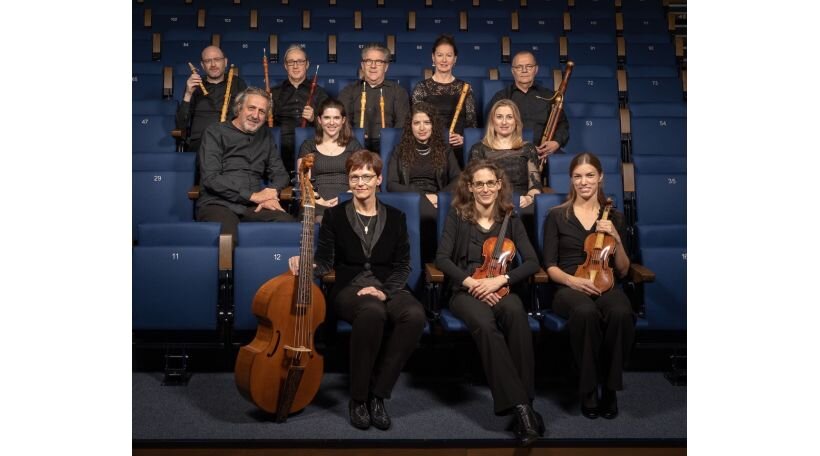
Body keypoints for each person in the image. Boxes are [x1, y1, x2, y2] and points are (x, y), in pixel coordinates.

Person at [288, 150, 426, 431]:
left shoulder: (397, 218)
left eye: (366, 176)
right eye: (355, 177)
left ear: (379, 179)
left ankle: (379, 394)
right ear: (348, 182)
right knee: (372, 313)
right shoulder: (335, 217)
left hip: (387, 286)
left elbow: (403, 266)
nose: (360, 182)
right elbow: (325, 260)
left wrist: (385, 291)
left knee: (414, 314)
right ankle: (358, 398)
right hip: (349, 289)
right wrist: (306, 264)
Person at [434, 160, 544, 447]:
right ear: (470, 187)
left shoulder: (511, 217)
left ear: (499, 186)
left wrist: (500, 281)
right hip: (465, 290)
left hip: (499, 287)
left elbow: (533, 262)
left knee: (516, 314)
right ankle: (523, 409)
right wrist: (473, 283)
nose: (484, 188)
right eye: (478, 183)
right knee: (484, 324)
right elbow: (442, 259)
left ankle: (525, 404)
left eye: (490, 183)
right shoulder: (458, 215)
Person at [542, 152, 634, 420]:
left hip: (606, 284)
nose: (584, 182)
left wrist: (616, 237)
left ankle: (611, 388)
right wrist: (574, 281)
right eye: (578, 176)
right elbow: (550, 265)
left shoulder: (614, 217)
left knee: (621, 311)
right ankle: (588, 387)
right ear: (571, 180)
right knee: (585, 312)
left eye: (590, 175)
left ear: (600, 177)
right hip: (568, 287)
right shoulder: (557, 216)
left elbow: (625, 269)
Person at [197, 87, 295, 240]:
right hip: (219, 203)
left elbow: (281, 174)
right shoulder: (215, 132)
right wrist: (253, 195)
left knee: (288, 224)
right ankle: (227, 266)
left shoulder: (265, 136)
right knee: (227, 238)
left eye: (262, 111)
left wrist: (272, 192)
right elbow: (211, 178)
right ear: (239, 108)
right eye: (251, 108)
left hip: (253, 207)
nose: (256, 115)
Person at [386, 101, 460, 261]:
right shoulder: (399, 150)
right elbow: (391, 184)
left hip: (437, 199)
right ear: (410, 126)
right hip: (409, 200)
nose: (422, 128)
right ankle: (431, 263)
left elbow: (458, 179)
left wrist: (439, 197)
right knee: (432, 217)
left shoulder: (444, 149)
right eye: (417, 123)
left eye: (427, 122)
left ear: (433, 125)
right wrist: (421, 198)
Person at [486, 50, 569, 164]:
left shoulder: (549, 96)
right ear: (513, 71)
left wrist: (556, 142)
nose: (524, 70)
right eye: (519, 67)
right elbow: (491, 127)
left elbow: (562, 125)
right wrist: (521, 148)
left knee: (569, 163)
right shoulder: (501, 97)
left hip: (545, 153)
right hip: (511, 151)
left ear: (536, 69)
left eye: (529, 66)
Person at [411, 34, 477, 165]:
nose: (444, 60)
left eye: (449, 55)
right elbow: (417, 123)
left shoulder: (465, 88)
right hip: (430, 145)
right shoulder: (421, 88)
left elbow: (472, 123)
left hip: (457, 147)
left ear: (455, 59)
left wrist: (464, 139)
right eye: (440, 55)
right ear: (433, 58)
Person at [468, 99, 542, 215]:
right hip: (490, 200)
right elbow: (475, 184)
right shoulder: (478, 149)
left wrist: (529, 198)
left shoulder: (528, 148)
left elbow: (536, 186)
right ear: (493, 121)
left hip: (521, 201)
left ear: (516, 121)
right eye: (499, 117)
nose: (504, 122)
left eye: (509, 117)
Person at [296, 98, 363, 223]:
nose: (332, 122)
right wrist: (319, 200)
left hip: (347, 199)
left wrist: (344, 198)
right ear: (319, 120)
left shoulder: (353, 146)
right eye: (327, 118)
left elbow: (362, 178)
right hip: (314, 200)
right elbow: (303, 181)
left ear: (343, 120)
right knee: (322, 219)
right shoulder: (308, 146)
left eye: (336, 118)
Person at [338, 43, 410, 153]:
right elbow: (342, 121)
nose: (373, 66)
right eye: (368, 61)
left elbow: (402, 125)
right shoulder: (348, 91)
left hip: (389, 147)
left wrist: (389, 140)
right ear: (362, 65)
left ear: (386, 67)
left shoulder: (399, 92)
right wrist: (356, 136)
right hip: (354, 145)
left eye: (379, 62)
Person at [176, 45, 247, 153]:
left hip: (231, 140)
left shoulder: (238, 83)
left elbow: (246, 116)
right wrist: (188, 94)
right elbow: (181, 125)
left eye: (217, 59)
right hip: (201, 142)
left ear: (226, 62)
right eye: (208, 61)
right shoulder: (195, 86)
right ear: (202, 65)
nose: (213, 64)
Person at [270, 45, 330, 175]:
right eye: (291, 62)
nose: (295, 66)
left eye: (300, 61)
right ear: (285, 66)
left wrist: (314, 119)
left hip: (310, 147)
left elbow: (330, 125)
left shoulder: (320, 93)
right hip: (280, 149)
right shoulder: (273, 93)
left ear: (307, 64)